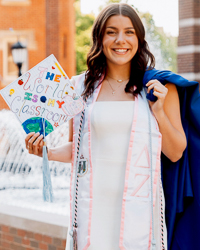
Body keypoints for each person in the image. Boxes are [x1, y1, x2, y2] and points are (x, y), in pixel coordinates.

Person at [25, 3, 187, 250]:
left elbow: (175, 152)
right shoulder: (79, 88)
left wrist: (160, 113)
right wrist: (46, 151)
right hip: (93, 206)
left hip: (140, 210)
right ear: (100, 38)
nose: (120, 40)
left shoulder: (159, 88)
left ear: (139, 39)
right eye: (111, 32)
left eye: (129, 32)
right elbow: (78, 148)